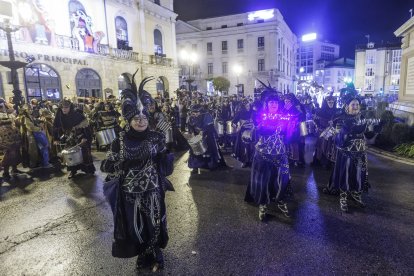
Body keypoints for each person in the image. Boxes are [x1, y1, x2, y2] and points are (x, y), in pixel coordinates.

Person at [100, 74, 170, 272]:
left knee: (154, 222)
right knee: (135, 226)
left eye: (144, 117)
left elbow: (166, 165)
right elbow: (106, 166)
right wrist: (120, 164)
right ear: (129, 120)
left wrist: (166, 157)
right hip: (129, 193)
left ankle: (156, 252)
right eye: (136, 118)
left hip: (153, 189)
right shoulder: (119, 141)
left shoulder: (156, 138)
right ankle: (142, 254)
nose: (141, 121)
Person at [245, 93, 292, 220]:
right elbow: (259, 130)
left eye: (276, 103)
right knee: (263, 181)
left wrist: (291, 120)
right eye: (271, 102)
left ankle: (281, 200)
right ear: (267, 104)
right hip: (263, 154)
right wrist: (272, 125)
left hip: (280, 153)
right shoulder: (261, 116)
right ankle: (263, 204)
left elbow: (289, 132)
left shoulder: (283, 116)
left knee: (283, 179)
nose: (274, 105)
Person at [326, 88, 370, 212]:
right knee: (345, 174)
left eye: (357, 104)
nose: (355, 106)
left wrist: (376, 131)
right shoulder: (341, 119)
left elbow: (368, 135)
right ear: (347, 106)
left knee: (358, 174)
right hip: (346, 153)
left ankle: (356, 193)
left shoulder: (363, 118)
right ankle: (343, 196)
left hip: (360, 153)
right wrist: (347, 132)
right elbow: (336, 139)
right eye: (353, 104)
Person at [53, 100, 95, 178]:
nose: (64, 109)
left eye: (66, 107)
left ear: (70, 107)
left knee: (84, 153)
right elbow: (56, 127)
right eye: (62, 108)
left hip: (81, 136)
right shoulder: (60, 116)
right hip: (69, 137)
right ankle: (73, 170)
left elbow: (86, 127)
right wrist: (56, 138)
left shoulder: (78, 115)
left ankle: (89, 171)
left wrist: (85, 137)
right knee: (69, 153)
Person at [187, 104, 227, 173]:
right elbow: (190, 125)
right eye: (194, 113)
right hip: (197, 135)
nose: (195, 115)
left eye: (197, 113)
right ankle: (195, 166)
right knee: (195, 151)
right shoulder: (191, 117)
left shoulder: (207, 115)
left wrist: (203, 132)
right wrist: (192, 133)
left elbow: (210, 126)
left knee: (209, 151)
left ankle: (210, 165)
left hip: (208, 135)